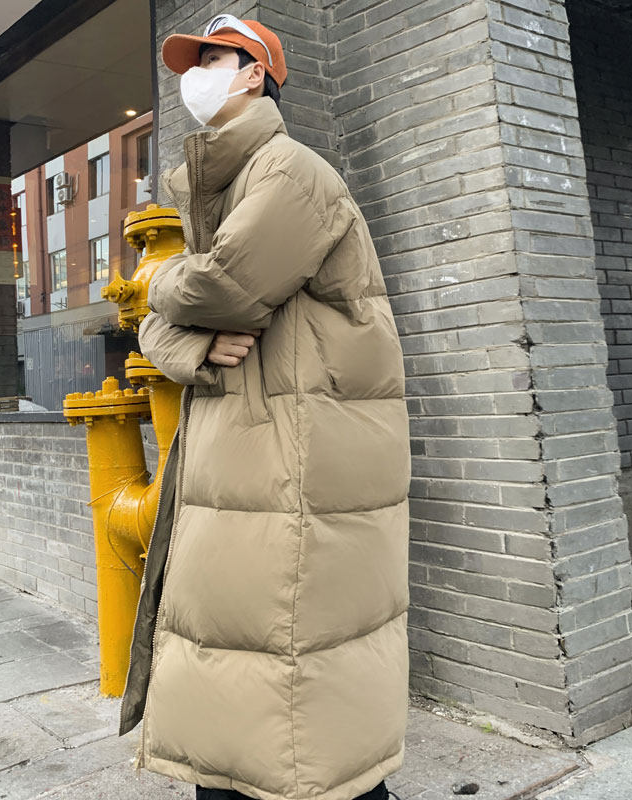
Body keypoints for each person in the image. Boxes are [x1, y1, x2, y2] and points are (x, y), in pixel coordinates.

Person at [119, 15, 411, 800]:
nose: (195, 76)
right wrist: (188, 342)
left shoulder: (291, 173)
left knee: (295, 689)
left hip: (295, 462)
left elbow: (220, 287)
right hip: (243, 460)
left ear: (255, 74)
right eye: (194, 62)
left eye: (213, 58)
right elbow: (161, 328)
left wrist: (160, 284)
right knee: (239, 677)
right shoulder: (224, 189)